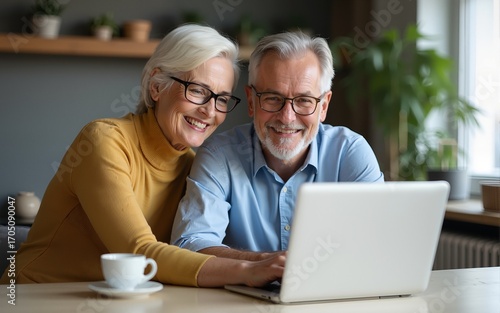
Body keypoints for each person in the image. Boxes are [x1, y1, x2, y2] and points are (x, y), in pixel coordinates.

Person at [0, 24, 284, 287]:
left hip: (116, 300)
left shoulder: (195, 166)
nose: (209, 112)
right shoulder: (105, 141)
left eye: (221, 99)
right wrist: (250, 269)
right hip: (35, 295)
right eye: (197, 90)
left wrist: (270, 262)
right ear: (156, 86)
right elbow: (138, 252)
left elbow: (200, 246)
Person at [171, 31, 384, 260]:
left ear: (323, 106)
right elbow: (191, 244)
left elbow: (380, 241)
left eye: (304, 101)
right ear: (251, 101)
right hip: (241, 296)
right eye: (273, 98)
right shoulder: (219, 155)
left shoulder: (350, 152)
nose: (287, 117)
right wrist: (262, 265)